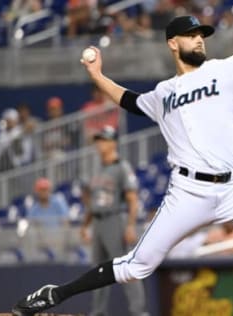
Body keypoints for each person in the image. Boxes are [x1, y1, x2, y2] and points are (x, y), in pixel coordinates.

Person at [13, 15, 233, 316]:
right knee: (136, 267)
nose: (199, 39)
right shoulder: (163, 93)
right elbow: (129, 100)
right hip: (188, 192)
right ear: (173, 43)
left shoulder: (226, 69)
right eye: (191, 35)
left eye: (202, 34)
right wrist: (97, 75)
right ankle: (55, 294)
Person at [79, 126, 148, 316]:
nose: (100, 143)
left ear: (113, 143)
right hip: (98, 222)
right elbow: (91, 201)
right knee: (98, 272)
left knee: (125, 268)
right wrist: (85, 225)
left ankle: (139, 312)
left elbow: (133, 199)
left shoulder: (121, 167)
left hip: (115, 219)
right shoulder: (95, 169)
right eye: (98, 140)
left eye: (104, 139)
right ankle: (98, 313)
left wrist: (131, 225)